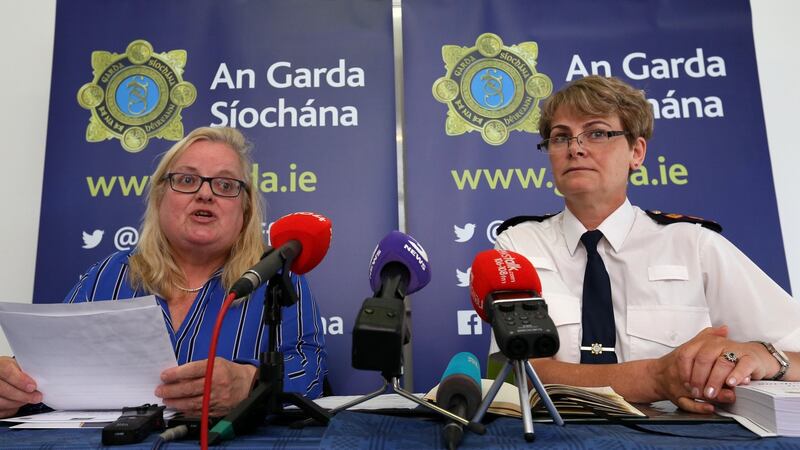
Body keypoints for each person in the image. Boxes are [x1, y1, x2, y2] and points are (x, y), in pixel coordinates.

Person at [491, 75, 799, 413]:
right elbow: (519, 372)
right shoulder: (518, 245)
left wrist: (767, 357)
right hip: (553, 438)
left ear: (636, 152)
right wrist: (656, 376)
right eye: (561, 137)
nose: (575, 148)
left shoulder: (693, 245)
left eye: (596, 133)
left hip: (677, 438)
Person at [0, 126, 327, 418]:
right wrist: (12, 388)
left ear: (246, 208)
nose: (205, 193)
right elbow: (43, 373)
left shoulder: (273, 277)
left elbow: (311, 371)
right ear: (159, 197)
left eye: (225, 184)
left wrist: (251, 383)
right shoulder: (109, 277)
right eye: (187, 179)